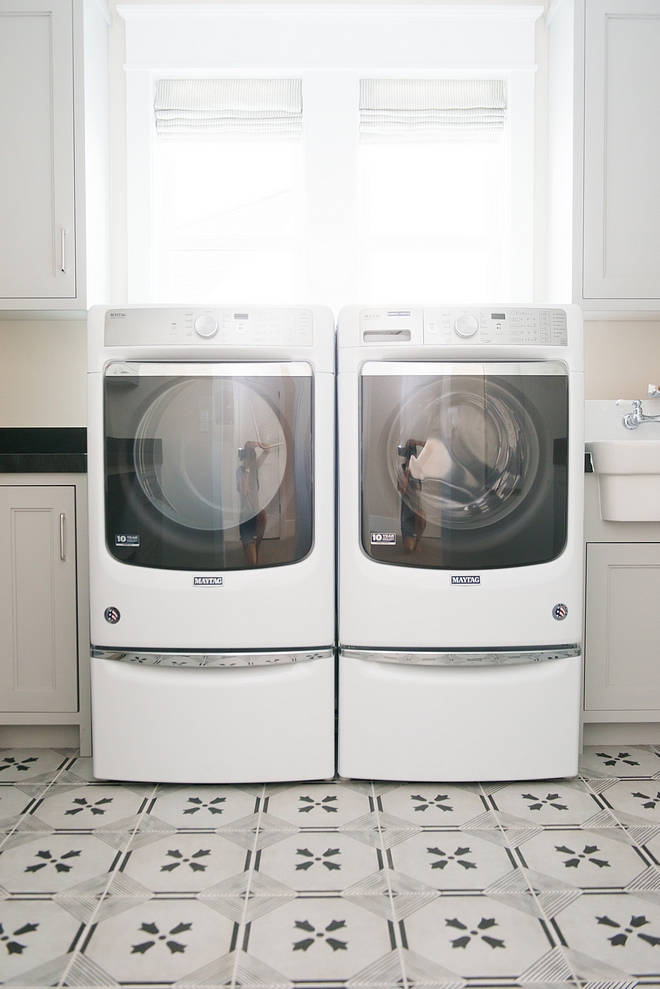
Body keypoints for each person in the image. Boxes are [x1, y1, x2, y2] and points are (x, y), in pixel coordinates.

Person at [237, 440, 270, 565]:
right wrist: (246, 468)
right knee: (252, 562)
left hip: (255, 514)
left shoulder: (255, 466)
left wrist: (258, 444)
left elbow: (267, 450)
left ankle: (258, 546)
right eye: (247, 454)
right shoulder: (239, 470)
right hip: (245, 519)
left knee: (263, 514)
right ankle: (251, 547)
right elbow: (244, 491)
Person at [398, 439, 427, 555]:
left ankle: (417, 542)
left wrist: (416, 442)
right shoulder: (401, 469)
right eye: (408, 456)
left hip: (416, 512)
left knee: (422, 517)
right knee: (408, 551)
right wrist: (407, 471)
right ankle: (410, 541)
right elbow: (402, 489)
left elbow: (430, 448)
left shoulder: (419, 469)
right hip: (406, 517)